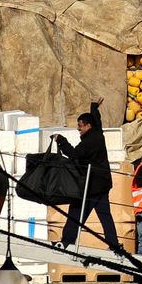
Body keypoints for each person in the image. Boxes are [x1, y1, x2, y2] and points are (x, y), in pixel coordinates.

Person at [54, 98, 117, 250]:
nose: (78, 128)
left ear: (88, 126)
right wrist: (94, 106)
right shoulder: (98, 133)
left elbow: (74, 154)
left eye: (80, 125)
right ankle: (114, 244)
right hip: (103, 184)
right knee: (105, 215)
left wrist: (61, 140)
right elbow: (97, 119)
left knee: (75, 211)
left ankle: (68, 240)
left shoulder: (89, 142)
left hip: (91, 186)